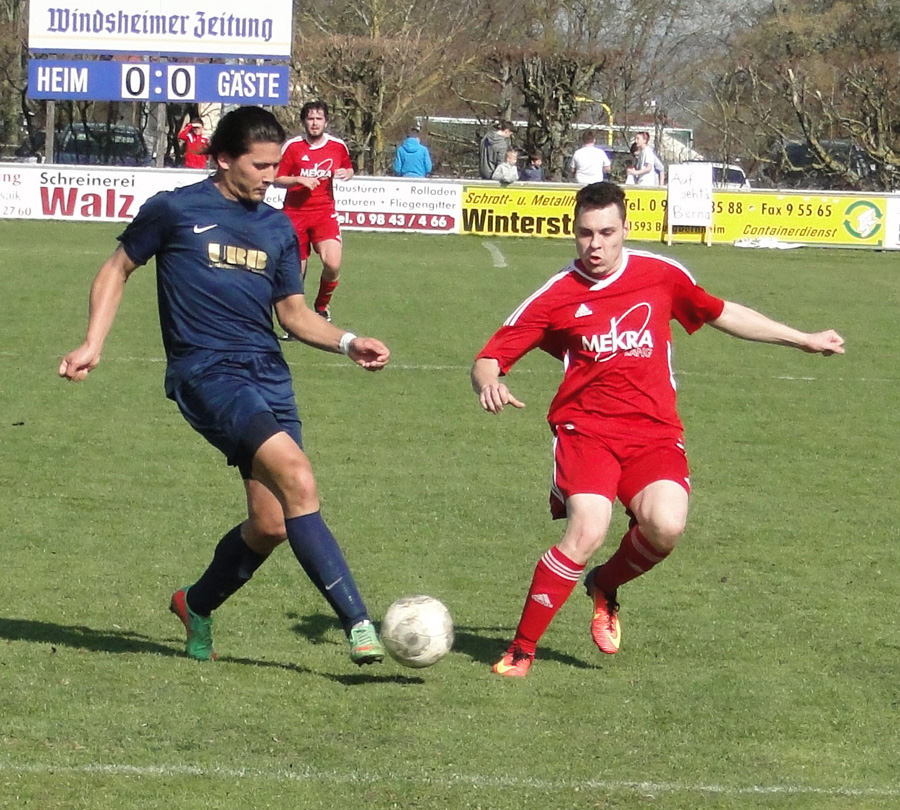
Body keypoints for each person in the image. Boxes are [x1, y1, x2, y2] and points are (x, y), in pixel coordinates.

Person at [58, 106, 390, 668]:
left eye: (275, 165)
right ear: (222, 159)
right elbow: (117, 268)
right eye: (259, 166)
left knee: (273, 522)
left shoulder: (278, 227)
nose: (270, 176)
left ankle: (197, 603)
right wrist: (93, 342)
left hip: (268, 374)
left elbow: (293, 313)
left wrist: (347, 341)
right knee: (299, 479)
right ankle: (359, 623)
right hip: (206, 372)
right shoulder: (176, 210)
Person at [470, 181, 844, 678]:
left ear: (626, 229)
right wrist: (489, 381)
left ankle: (605, 584)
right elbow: (491, 355)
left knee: (666, 527)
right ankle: (521, 649)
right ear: (572, 232)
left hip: (653, 431)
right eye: (585, 234)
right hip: (587, 431)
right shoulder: (557, 295)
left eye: (607, 232)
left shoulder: (660, 275)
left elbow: (721, 312)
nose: (595, 245)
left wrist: (801, 338)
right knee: (588, 528)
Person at [274, 100, 353, 321]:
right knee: (294, 273)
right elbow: (276, 178)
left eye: (319, 118)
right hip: (294, 213)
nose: (315, 123)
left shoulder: (337, 146)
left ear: (326, 121)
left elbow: (348, 167)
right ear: (303, 121)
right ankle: (295, 318)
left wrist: (347, 173)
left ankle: (321, 306)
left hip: (324, 212)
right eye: (310, 118)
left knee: (333, 262)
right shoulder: (292, 147)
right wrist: (299, 179)